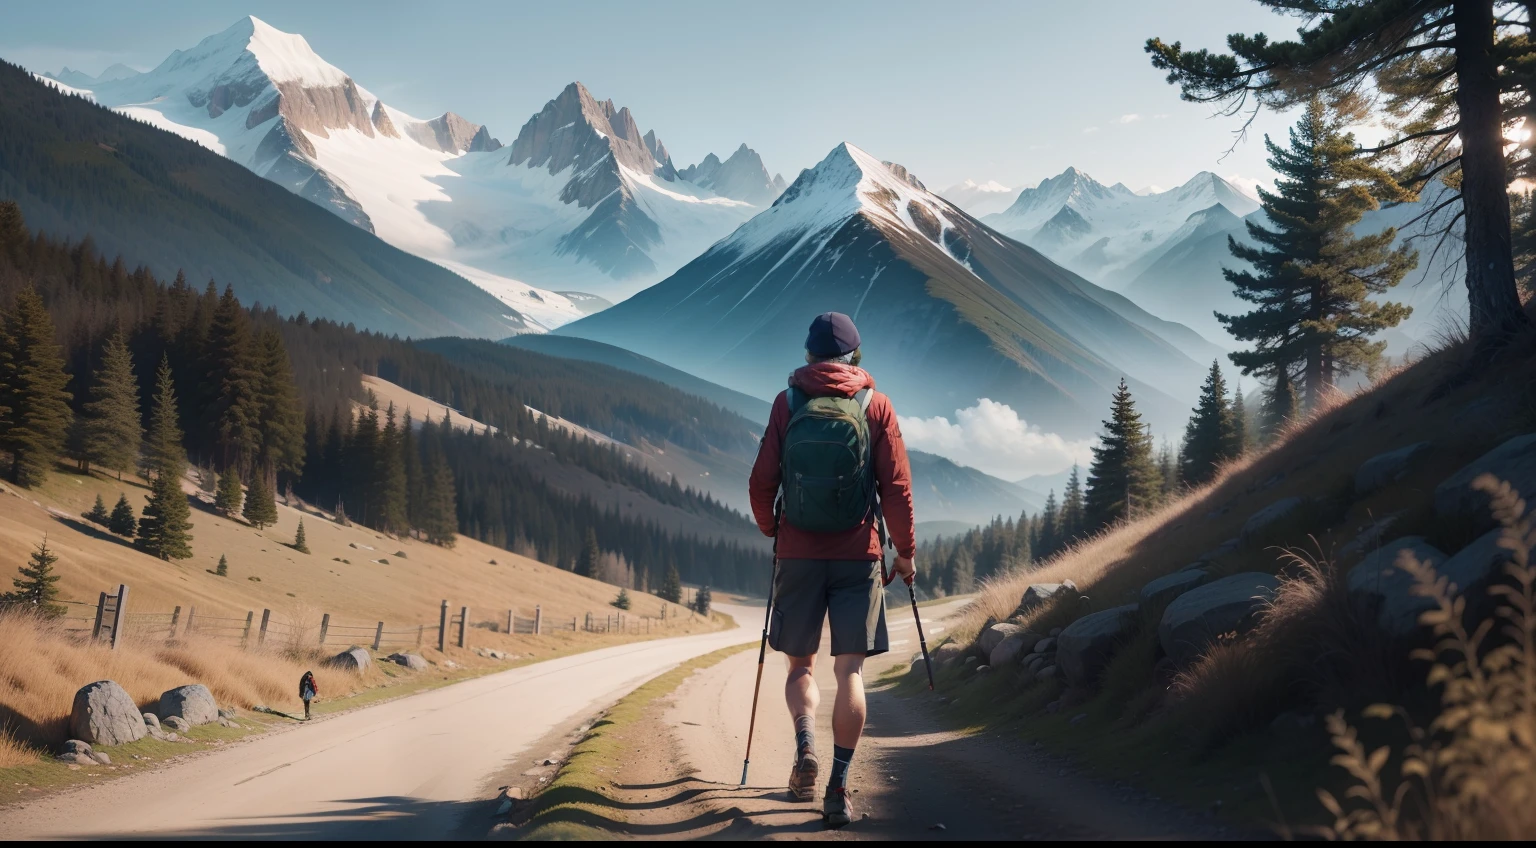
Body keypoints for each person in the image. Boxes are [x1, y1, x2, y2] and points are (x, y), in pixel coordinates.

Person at [748, 311, 916, 827]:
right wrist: (904, 553)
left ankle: (805, 750)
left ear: (808, 356)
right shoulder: (875, 405)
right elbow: (897, 489)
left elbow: (761, 483)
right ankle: (839, 786)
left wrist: (773, 530)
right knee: (851, 671)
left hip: (797, 554)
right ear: (855, 356)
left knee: (800, 666)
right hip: (858, 556)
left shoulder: (788, 402)